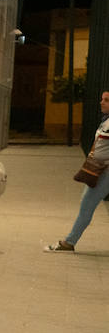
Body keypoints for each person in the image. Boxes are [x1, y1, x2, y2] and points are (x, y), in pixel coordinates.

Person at [47, 89, 109, 251]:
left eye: (107, 100)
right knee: (86, 204)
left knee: (86, 204)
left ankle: (69, 242)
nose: (101, 102)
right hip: (100, 171)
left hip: (104, 172)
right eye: (102, 99)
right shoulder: (106, 121)